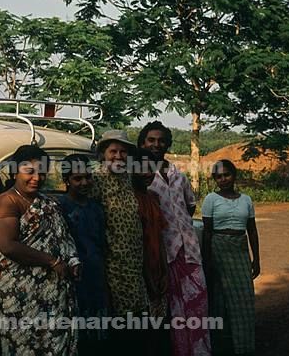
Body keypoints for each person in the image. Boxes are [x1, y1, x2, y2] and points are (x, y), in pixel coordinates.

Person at [0, 145, 81, 356]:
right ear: (15, 171)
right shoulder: (6, 202)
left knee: (55, 343)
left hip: (53, 290)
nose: (36, 178)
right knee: (25, 344)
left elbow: (63, 237)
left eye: (42, 172)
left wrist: (74, 261)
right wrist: (53, 262)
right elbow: (8, 245)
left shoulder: (48, 202)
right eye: (29, 171)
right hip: (21, 291)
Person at [138, 121, 212, 356]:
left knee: (198, 306)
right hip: (163, 254)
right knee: (171, 310)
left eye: (161, 140)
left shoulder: (178, 175)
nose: (156, 144)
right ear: (142, 143)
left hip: (189, 251)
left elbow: (190, 207)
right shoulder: (139, 177)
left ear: (167, 144)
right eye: (151, 140)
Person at [89, 130, 148, 354]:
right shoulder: (95, 180)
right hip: (111, 264)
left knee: (136, 324)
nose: (118, 156)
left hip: (133, 264)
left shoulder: (128, 178)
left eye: (123, 152)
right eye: (113, 151)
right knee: (117, 326)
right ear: (103, 154)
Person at [201, 159, 260, 356]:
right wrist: (207, 261)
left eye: (227, 174)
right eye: (219, 176)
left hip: (240, 250)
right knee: (219, 298)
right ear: (214, 179)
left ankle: (243, 346)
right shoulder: (210, 199)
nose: (223, 179)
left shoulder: (246, 200)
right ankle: (220, 345)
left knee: (243, 298)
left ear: (234, 175)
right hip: (219, 249)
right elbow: (207, 232)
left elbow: (252, 230)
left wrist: (256, 259)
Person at [57, 154, 109, 355]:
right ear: (66, 181)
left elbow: (101, 245)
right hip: (72, 280)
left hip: (95, 277)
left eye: (88, 177)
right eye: (77, 179)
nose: (84, 183)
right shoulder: (59, 207)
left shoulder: (96, 208)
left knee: (96, 337)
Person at [131, 148, 170, 356]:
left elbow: (159, 237)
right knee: (142, 330)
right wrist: (149, 279)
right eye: (142, 169)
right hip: (140, 274)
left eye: (151, 169)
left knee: (157, 328)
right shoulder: (130, 200)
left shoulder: (153, 197)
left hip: (157, 270)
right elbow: (139, 243)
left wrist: (164, 270)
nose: (147, 174)